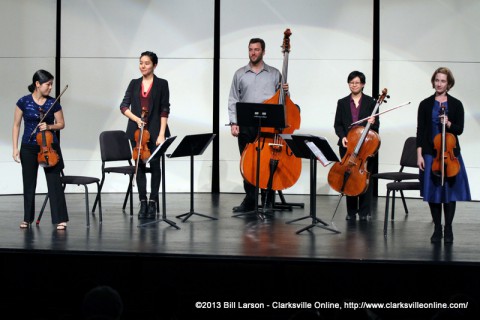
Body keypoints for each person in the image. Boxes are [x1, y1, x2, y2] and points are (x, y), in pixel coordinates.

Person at [228, 37, 288, 212]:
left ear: (263, 51)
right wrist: (234, 122)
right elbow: (233, 99)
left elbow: (283, 100)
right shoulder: (239, 73)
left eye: (256, 49)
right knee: (248, 163)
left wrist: (286, 91)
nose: (253, 52)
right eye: (250, 49)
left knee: (268, 163)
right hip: (246, 124)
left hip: (268, 126)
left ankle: (268, 200)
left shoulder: (275, 73)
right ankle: (250, 200)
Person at [416, 67, 470, 243]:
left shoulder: (456, 104)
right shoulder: (425, 104)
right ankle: (437, 228)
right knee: (433, 193)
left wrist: (449, 124)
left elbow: (459, 130)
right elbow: (421, 131)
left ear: (449, 84)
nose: (439, 84)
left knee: (449, 193)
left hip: (450, 154)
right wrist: (420, 155)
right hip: (431, 154)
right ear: (433, 82)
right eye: (437, 80)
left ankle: (449, 228)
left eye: (443, 81)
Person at [12, 70, 69, 230]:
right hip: (28, 147)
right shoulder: (23, 101)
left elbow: (61, 123)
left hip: (49, 147)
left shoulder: (53, 103)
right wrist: (15, 148)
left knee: (54, 182)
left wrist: (49, 126)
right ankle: (27, 218)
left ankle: (60, 219)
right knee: (29, 183)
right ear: (37, 84)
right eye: (48, 84)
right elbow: (16, 125)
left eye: (51, 84)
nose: (51, 87)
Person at [120, 51, 170, 219]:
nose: (143, 66)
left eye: (147, 63)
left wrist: (162, 134)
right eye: (141, 62)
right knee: (139, 165)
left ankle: (153, 201)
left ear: (154, 65)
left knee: (155, 165)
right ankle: (142, 201)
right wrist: (136, 119)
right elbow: (123, 106)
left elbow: (164, 110)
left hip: (156, 132)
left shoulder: (162, 84)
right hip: (137, 133)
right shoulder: (134, 84)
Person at [333, 70, 378, 221]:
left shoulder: (372, 102)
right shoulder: (342, 102)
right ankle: (351, 212)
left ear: (363, 84)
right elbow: (337, 125)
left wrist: (373, 122)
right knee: (349, 177)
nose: (354, 85)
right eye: (351, 82)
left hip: (365, 147)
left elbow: (376, 127)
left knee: (365, 178)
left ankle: (364, 212)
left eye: (357, 82)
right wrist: (342, 137)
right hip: (348, 146)